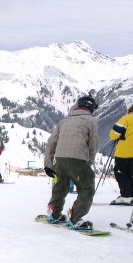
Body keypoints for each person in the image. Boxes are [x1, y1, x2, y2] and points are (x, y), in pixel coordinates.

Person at [43, 96, 99, 229]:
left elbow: (51, 142)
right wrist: (88, 162)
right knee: (87, 188)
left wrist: (48, 163)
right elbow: (93, 144)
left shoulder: (64, 121)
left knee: (60, 186)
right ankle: (75, 217)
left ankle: (54, 212)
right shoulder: (91, 121)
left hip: (60, 158)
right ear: (91, 108)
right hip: (78, 159)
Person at [109, 94, 133, 204]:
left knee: (120, 172)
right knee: (131, 172)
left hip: (124, 150)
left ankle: (126, 196)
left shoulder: (126, 119)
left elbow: (113, 134)